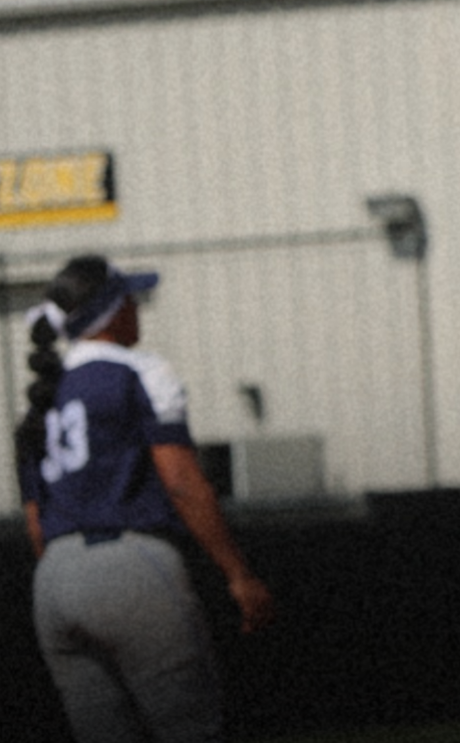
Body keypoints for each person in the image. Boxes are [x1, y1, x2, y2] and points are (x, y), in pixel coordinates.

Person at [14, 255, 277, 743]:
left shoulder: (40, 398)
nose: (137, 307)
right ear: (112, 311)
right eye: (129, 298)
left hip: (53, 583)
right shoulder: (137, 370)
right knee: (193, 730)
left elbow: (35, 526)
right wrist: (237, 573)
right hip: (131, 565)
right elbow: (179, 479)